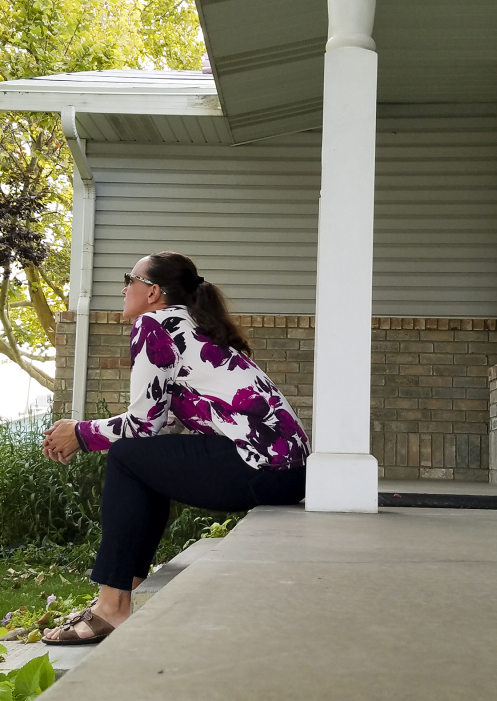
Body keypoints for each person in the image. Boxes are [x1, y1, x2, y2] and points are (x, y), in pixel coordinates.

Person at [40, 251, 309, 645]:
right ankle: (124, 590)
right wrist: (84, 434)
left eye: (129, 279)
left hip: (262, 468)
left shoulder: (154, 324)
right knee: (141, 459)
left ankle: (111, 606)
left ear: (153, 292)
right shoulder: (191, 324)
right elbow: (162, 422)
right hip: (288, 473)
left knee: (127, 457)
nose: (122, 288)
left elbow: (142, 423)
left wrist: (80, 434)